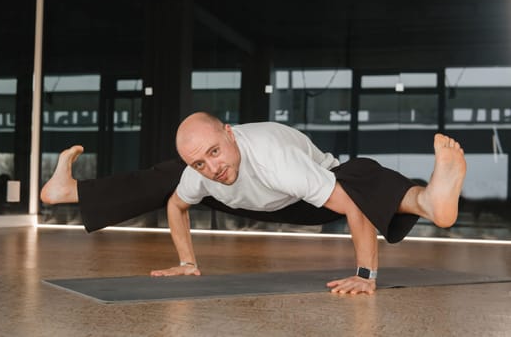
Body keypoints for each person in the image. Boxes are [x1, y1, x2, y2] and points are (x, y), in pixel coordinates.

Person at [41, 112, 466, 295]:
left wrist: (365, 275)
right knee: (172, 178)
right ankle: (68, 192)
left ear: (229, 132)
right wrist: (188, 262)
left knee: (362, 176)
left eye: (214, 151)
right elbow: (176, 206)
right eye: (199, 161)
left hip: (308, 191)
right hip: (254, 199)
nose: (211, 165)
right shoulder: (198, 172)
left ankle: (429, 201)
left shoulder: (276, 158)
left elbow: (353, 209)